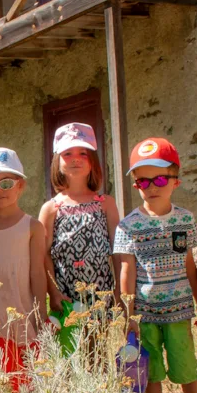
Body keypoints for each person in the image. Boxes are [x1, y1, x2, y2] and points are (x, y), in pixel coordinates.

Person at [114, 138, 197, 393]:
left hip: (179, 310)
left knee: (186, 366)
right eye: (143, 181)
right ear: (136, 185)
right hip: (146, 314)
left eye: (161, 178)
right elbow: (126, 270)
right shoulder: (128, 225)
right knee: (151, 371)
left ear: (176, 182)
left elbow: (191, 265)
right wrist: (129, 315)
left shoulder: (185, 219)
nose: (152, 187)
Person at [0, 149, 47, 393]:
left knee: (28, 384)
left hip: (24, 318)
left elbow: (37, 272)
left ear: (20, 185)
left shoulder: (33, 227)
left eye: (6, 183)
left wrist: (40, 314)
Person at [38, 123, 119, 312]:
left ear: (93, 162)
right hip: (66, 299)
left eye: (83, 153)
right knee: (72, 342)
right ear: (57, 161)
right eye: (67, 154)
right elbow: (43, 255)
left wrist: (120, 290)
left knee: (100, 341)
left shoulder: (105, 204)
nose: (76, 159)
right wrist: (54, 292)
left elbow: (118, 249)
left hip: (102, 297)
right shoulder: (51, 208)